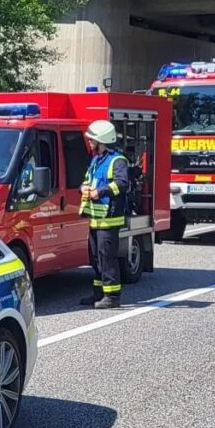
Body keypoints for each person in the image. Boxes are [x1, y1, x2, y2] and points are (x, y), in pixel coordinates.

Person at [78, 120, 130, 309]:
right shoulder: (96, 160)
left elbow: (122, 184)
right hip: (95, 220)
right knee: (95, 258)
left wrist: (99, 192)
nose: (89, 142)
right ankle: (99, 293)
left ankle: (113, 296)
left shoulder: (117, 160)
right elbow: (87, 180)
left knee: (107, 257)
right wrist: (83, 187)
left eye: (92, 139)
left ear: (101, 140)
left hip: (109, 220)